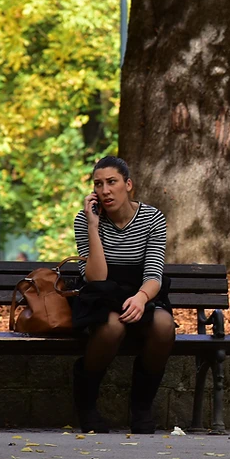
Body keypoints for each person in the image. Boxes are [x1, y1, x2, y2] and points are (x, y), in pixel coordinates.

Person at [70, 155, 175, 433]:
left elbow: (154, 275)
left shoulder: (152, 219)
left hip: (141, 294)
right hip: (101, 297)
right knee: (113, 327)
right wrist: (94, 226)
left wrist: (141, 298)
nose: (104, 190)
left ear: (128, 185)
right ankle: (87, 403)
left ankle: (141, 408)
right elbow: (96, 278)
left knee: (164, 326)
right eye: (98, 184)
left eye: (112, 182)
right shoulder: (85, 220)